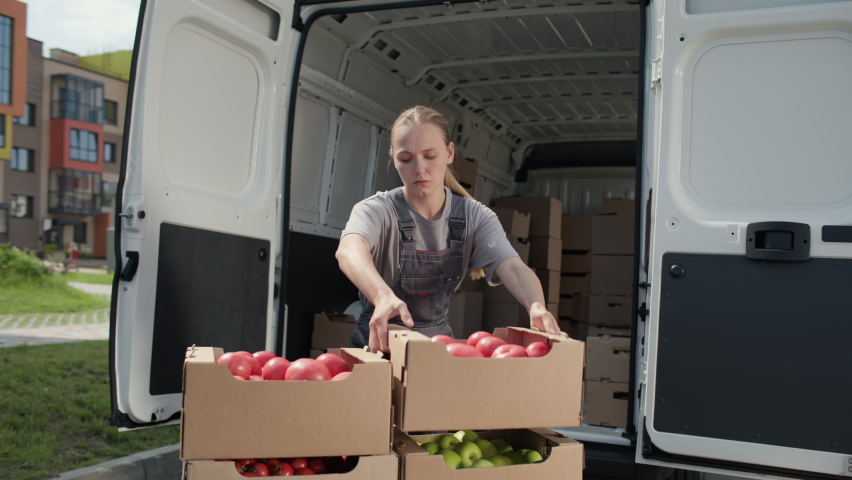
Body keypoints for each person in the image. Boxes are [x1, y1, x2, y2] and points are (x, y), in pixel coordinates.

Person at [336, 106, 560, 352]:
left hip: (437, 352)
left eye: (430, 156)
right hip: (376, 348)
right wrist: (381, 295)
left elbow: (513, 267)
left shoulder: (475, 216)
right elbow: (348, 250)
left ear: (450, 153)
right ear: (394, 159)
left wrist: (536, 305)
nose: (419, 168)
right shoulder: (376, 210)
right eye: (406, 159)